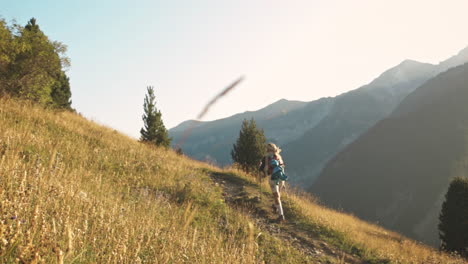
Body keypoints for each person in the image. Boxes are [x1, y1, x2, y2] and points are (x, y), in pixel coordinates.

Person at [259, 143, 286, 222]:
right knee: (278, 195)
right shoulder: (279, 157)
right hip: (281, 178)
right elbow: (282, 166)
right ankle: (275, 207)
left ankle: (281, 215)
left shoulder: (266, 158)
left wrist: (260, 166)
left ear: (268, 150)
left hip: (272, 178)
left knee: (276, 196)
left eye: (267, 149)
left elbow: (263, 170)